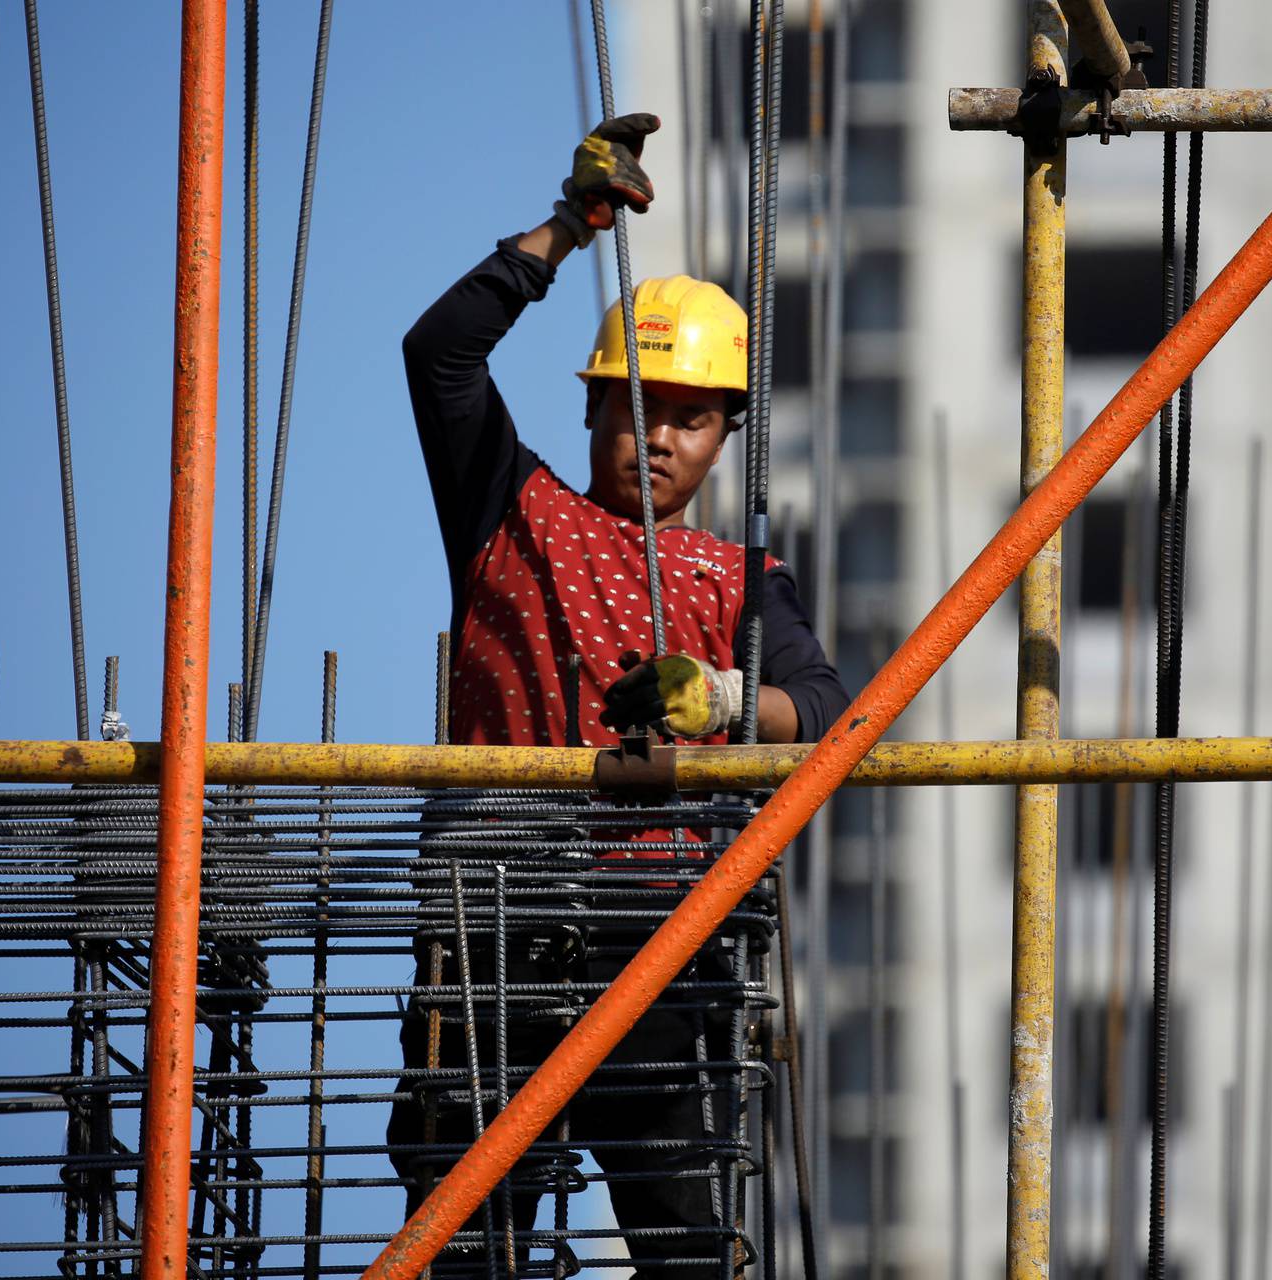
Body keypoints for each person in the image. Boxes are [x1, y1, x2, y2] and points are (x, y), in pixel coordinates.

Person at [386, 115, 849, 1276]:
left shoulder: (741, 579)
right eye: (636, 407)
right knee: (461, 1247)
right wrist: (567, 229)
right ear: (595, 405)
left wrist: (728, 698)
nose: (657, 439)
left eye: (691, 418)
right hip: (491, 933)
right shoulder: (510, 509)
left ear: (723, 434)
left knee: (689, 1249)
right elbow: (439, 354)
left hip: (657, 947)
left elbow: (828, 712)